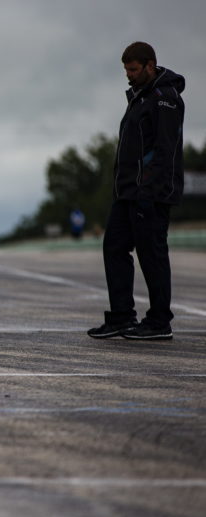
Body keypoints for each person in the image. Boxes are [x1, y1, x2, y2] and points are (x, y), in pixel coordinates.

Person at [88, 42, 184, 341]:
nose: (128, 75)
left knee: (152, 254)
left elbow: (165, 150)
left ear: (150, 66)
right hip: (127, 193)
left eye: (133, 69)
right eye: (126, 70)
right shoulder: (139, 98)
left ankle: (159, 321)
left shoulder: (164, 98)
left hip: (150, 194)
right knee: (114, 247)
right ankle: (121, 317)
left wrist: (149, 190)